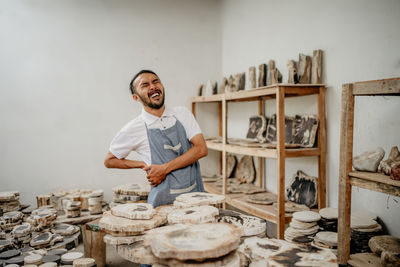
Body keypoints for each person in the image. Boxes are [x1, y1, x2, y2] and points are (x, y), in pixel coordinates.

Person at [104, 70, 207, 208]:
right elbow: (109, 161)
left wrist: (164, 169)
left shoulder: (182, 114)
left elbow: (201, 149)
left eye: (155, 81)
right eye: (145, 84)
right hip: (163, 205)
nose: (152, 86)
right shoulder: (134, 128)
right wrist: (142, 164)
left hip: (196, 200)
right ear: (136, 97)